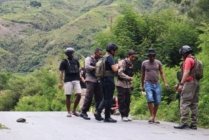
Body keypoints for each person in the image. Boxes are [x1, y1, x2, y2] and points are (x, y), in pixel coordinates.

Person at [174, 45, 199, 130]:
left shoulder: (188, 60)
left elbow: (186, 72)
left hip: (189, 83)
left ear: (184, 52)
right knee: (194, 104)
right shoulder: (194, 59)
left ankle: (184, 123)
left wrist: (181, 84)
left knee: (184, 102)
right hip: (196, 83)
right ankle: (194, 124)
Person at [141, 48, 168, 124]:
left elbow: (162, 73)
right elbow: (142, 74)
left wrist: (165, 82)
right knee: (150, 98)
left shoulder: (158, 63)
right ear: (148, 56)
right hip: (147, 83)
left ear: (155, 56)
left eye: (152, 56)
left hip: (156, 83)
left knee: (157, 101)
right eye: (150, 56)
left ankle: (154, 116)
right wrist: (142, 85)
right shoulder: (144, 63)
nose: (151, 57)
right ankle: (152, 116)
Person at [94, 43, 119, 123]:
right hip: (109, 80)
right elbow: (114, 69)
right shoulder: (110, 57)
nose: (116, 52)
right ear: (112, 50)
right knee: (108, 98)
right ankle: (107, 117)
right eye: (115, 51)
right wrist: (119, 64)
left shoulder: (104, 57)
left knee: (105, 97)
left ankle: (98, 112)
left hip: (102, 79)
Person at [80, 48, 103, 120]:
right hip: (90, 80)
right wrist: (96, 67)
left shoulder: (100, 59)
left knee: (99, 97)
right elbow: (87, 67)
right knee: (89, 96)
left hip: (98, 80)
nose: (100, 55)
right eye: (99, 54)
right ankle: (83, 112)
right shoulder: (88, 58)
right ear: (95, 53)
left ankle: (97, 113)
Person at [59, 47, 81, 117]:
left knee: (79, 94)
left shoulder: (76, 61)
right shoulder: (64, 62)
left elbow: (79, 69)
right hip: (68, 80)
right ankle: (69, 112)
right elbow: (61, 72)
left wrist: (80, 78)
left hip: (76, 79)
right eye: (69, 53)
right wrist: (60, 82)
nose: (70, 54)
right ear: (67, 54)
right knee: (68, 96)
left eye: (71, 53)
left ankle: (74, 110)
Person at [116, 50, 137, 122]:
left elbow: (131, 74)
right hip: (121, 84)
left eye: (134, 57)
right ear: (129, 55)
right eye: (132, 56)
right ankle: (123, 115)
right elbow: (120, 73)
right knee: (122, 100)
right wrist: (128, 77)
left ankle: (127, 114)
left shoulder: (131, 64)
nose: (133, 58)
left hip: (128, 85)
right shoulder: (123, 62)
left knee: (128, 100)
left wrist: (131, 83)